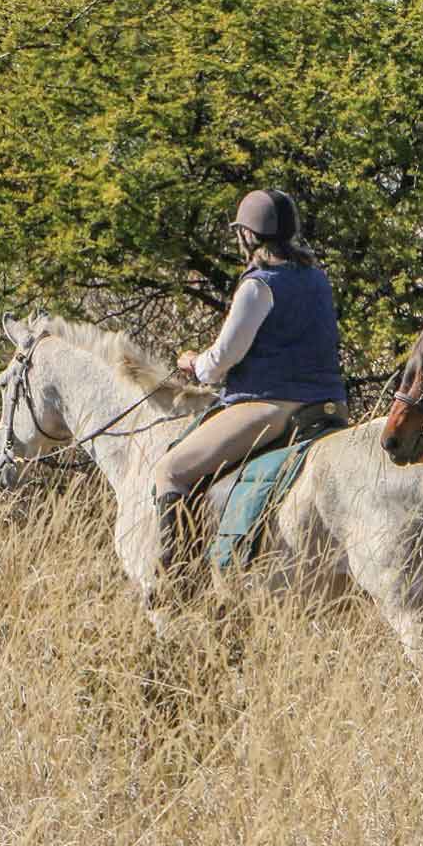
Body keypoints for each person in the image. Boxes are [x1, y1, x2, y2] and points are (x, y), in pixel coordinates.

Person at [157, 189, 347, 581]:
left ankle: (175, 582)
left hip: (269, 409)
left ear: (248, 235)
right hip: (329, 405)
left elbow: (221, 361)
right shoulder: (317, 278)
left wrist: (194, 362)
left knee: (171, 472)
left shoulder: (258, 285)